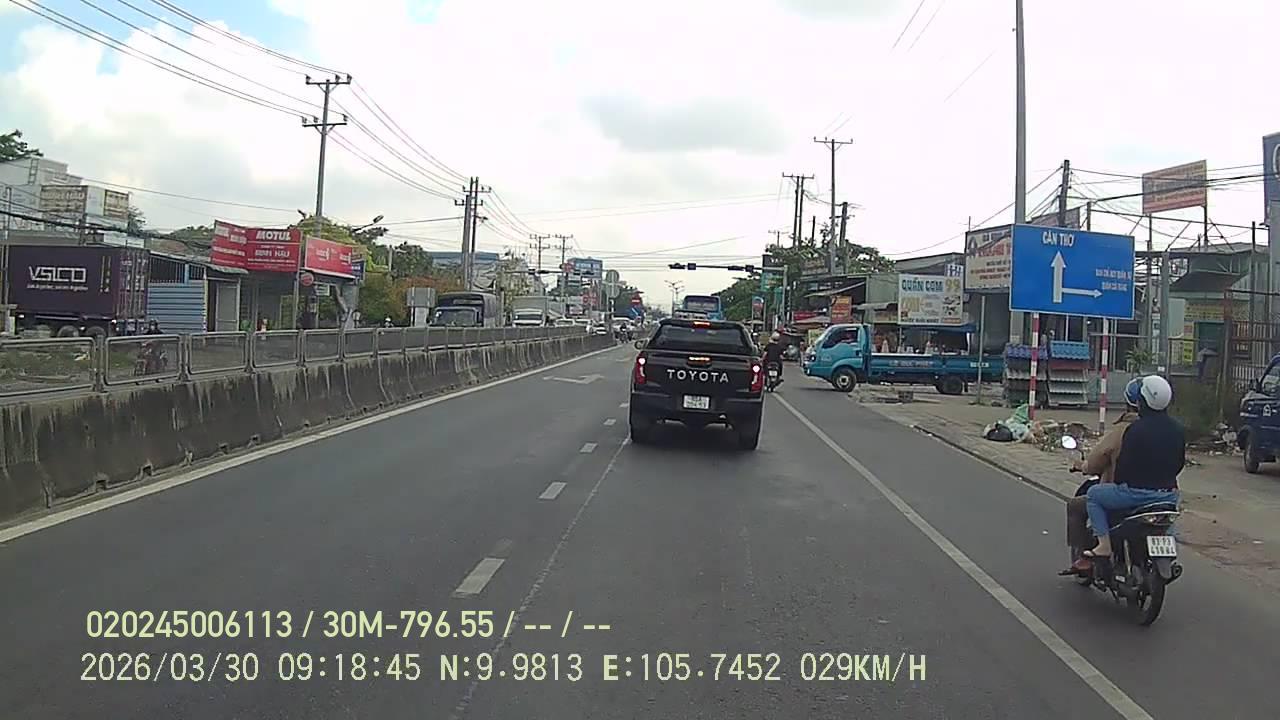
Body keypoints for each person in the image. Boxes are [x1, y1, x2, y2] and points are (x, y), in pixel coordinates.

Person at [1084, 374, 1184, 559]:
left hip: (1135, 494)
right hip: (1168, 495)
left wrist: (1122, 484)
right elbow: (1179, 463)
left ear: (1142, 401)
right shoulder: (1177, 428)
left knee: (1093, 495)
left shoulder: (1135, 430)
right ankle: (1169, 548)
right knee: (1169, 518)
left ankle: (1104, 545)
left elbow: (1124, 466)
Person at [1060, 378, 1141, 573]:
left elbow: (1096, 462)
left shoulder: (1123, 431)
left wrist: (1082, 466)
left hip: (1125, 494)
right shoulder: (1163, 430)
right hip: (1162, 495)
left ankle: (1086, 558)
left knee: (1079, 504)